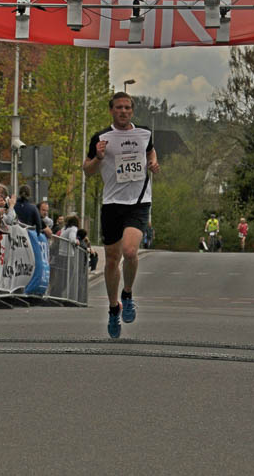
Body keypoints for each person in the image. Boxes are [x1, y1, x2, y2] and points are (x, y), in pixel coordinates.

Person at [83, 91, 159, 339]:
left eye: (127, 107)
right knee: (112, 260)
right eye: (119, 107)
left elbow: (150, 151)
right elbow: (87, 170)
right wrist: (98, 157)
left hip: (138, 202)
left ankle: (127, 294)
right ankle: (113, 307)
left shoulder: (144, 133)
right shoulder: (101, 137)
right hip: (112, 203)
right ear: (111, 110)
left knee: (130, 251)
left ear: (132, 110)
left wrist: (153, 163)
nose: (123, 111)